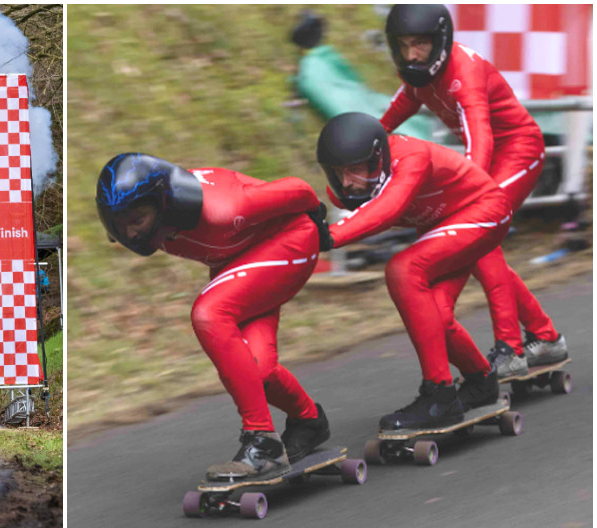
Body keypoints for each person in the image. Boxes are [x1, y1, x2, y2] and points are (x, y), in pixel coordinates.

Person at [95, 152, 335, 481]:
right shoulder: (166, 214)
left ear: (162, 203)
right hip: (241, 258)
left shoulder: (224, 209)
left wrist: (320, 221)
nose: (132, 233)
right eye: (121, 226)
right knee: (257, 371)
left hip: (290, 241)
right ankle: (308, 421)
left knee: (209, 314)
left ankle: (262, 441)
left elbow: (299, 189)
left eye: (137, 220)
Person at [379, 4, 568, 377]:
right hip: (488, 157)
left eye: (419, 43)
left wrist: (471, 194)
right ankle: (545, 336)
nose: (411, 54)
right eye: (403, 45)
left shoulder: (462, 70)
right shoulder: (419, 77)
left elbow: (480, 135)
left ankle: (511, 349)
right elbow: (390, 117)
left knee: (478, 231)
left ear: (439, 41)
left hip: (518, 150)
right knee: (476, 239)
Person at [318, 112, 511, 430]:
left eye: (354, 170)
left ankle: (439, 394)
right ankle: (481, 381)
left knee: (403, 269)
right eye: (339, 173)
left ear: (377, 159)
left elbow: (388, 208)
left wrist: (329, 236)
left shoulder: (412, 157)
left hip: (484, 210)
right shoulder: (347, 190)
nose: (347, 182)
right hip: (445, 224)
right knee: (434, 316)